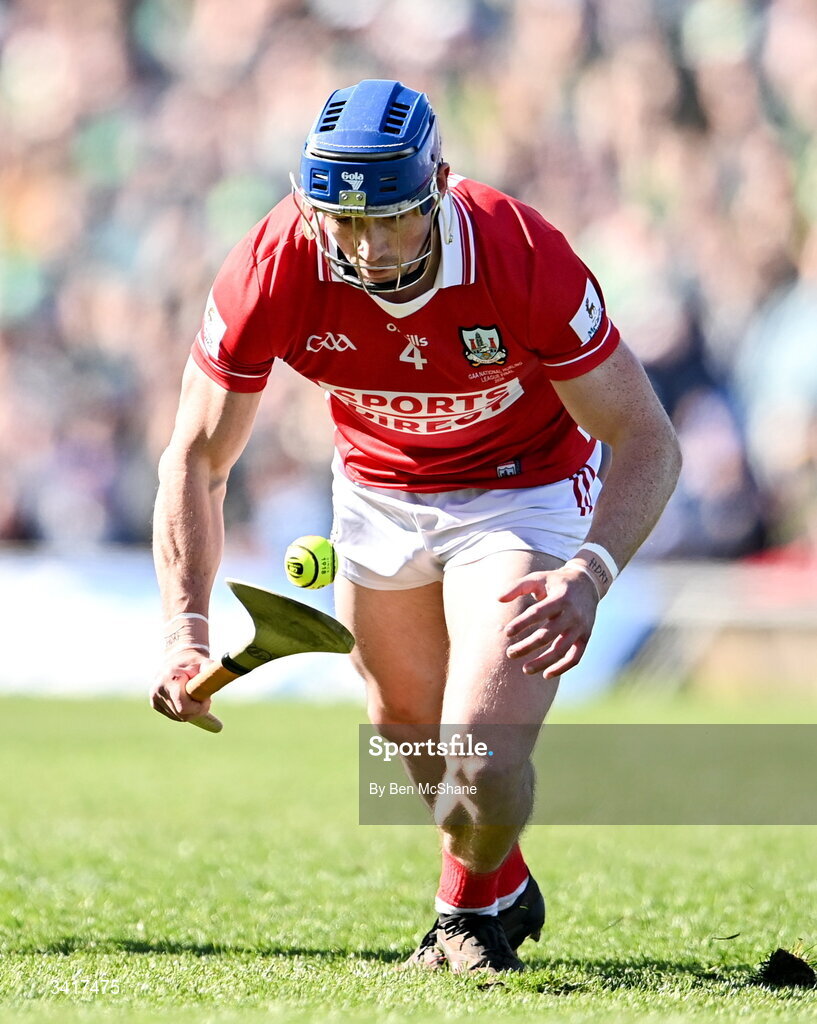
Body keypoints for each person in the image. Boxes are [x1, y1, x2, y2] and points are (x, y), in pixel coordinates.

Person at [150, 79, 681, 974]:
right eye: (342, 222)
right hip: (376, 494)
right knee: (402, 724)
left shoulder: (518, 251)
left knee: (478, 746)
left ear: (435, 186)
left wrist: (588, 571)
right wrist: (183, 634)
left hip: (525, 490)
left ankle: (462, 918)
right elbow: (196, 460)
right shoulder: (273, 262)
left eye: (390, 218)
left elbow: (647, 440)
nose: (366, 247)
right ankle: (499, 877)